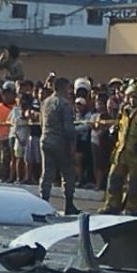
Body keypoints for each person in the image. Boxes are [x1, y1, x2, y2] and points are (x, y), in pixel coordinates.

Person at [102, 83, 137, 215]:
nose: (132, 100)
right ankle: (112, 205)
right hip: (121, 152)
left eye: (136, 97)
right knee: (114, 179)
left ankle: (131, 208)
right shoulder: (125, 111)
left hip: (136, 154)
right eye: (130, 97)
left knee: (135, 183)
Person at [39, 77, 79, 215]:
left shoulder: (46, 102)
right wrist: (72, 143)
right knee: (67, 173)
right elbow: (68, 127)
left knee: (47, 173)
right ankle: (69, 204)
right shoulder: (64, 104)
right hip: (60, 142)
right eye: (68, 88)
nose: (70, 91)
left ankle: (43, 202)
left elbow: (41, 122)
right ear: (63, 88)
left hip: (46, 139)